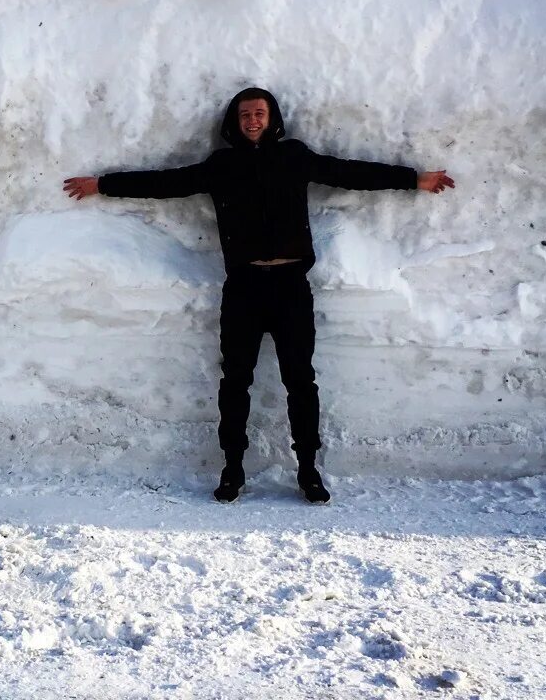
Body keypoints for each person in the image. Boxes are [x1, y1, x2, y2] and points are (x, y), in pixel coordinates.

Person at [64, 87, 454, 504]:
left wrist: (414, 178)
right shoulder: (221, 165)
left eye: (260, 113)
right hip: (244, 290)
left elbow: (350, 173)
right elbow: (166, 182)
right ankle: (232, 469)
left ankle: (308, 470)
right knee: (235, 381)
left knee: (301, 381)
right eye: (246, 114)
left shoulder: (294, 157)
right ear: (235, 121)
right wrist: (102, 184)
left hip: (291, 289)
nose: (253, 120)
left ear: (273, 118)